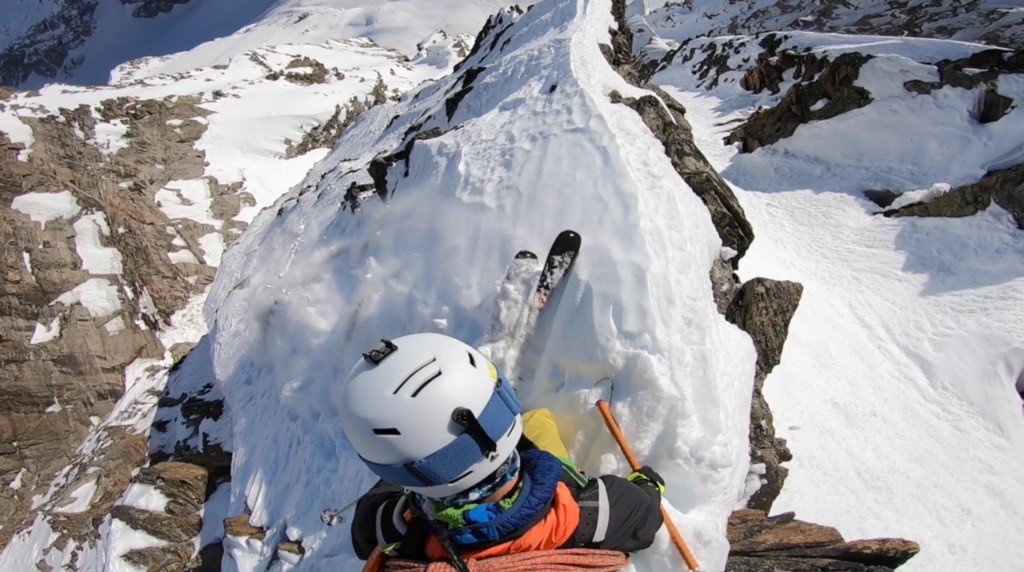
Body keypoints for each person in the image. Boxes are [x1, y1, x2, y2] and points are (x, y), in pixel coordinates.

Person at [338, 333, 665, 568]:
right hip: (557, 522)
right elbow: (647, 515)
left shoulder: (392, 525)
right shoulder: (594, 509)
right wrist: (648, 484)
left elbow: (364, 532)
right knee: (537, 421)